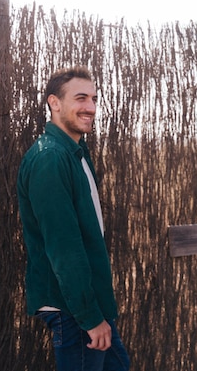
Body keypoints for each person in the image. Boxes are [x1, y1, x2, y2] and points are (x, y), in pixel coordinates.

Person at [17, 66, 131, 371]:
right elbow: (63, 247)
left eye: (93, 99)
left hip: (86, 303)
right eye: (81, 98)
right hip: (72, 308)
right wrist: (90, 318)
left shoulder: (73, 152)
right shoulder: (50, 159)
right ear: (54, 103)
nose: (91, 107)